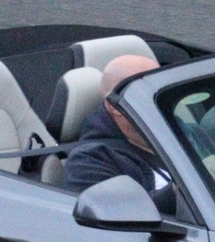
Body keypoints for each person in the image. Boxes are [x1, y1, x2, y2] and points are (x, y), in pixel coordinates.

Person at [61, 53, 174, 197]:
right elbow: (114, 214)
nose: (162, 99)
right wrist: (176, 193)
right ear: (116, 107)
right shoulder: (89, 161)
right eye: (149, 93)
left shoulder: (189, 133)